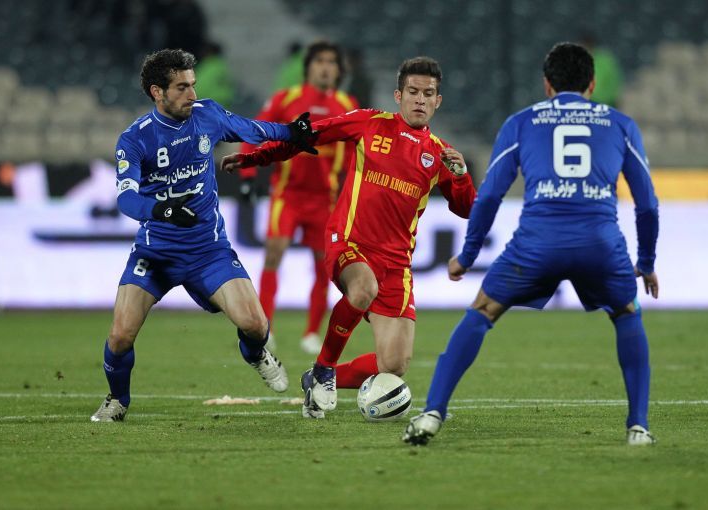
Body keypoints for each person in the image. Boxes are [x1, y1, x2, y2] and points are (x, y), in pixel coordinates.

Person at [403, 42, 659, 446]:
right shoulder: (621, 124)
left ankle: (432, 413)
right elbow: (647, 204)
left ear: (547, 85)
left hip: (538, 243)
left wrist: (467, 256)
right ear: (592, 85)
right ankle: (638, 427)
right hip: (599, 242)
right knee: (627, 314)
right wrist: (645, 262)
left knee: (482, 311)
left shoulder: (522, 122)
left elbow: (489, 195)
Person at [223, 57, 477, 419]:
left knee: (394, 365)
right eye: (413, 91)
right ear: (399, 95)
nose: (420, 99)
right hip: (350, 243)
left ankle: (316, 379)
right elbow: (306, 136)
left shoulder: (439, 153)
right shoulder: (369, 122)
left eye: (428, 93)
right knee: (363, 288)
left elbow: (467, 209)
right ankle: (324, 368)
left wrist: (462, 176)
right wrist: (257, 159)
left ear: (438, 101)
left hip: (396, 265)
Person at [90, 48, 317, 422]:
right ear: (157, 92)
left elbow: (252, 129)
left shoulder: (206, 114)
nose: (192, 94)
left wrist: (292, 132)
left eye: (192, 85)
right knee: (120, 336)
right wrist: (163, 210)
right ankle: (117, 399)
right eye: (182, 88)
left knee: (256, 325)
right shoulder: (134, 139)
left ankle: (256, 354)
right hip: (156, 254)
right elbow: (126, 198)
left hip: (208, 251)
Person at [238, 40, 359, 355]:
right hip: (287, 195)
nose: (325, 67)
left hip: (325, 200)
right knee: (273, 255)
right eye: (319, 61)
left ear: (339, 70)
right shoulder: (286, 99)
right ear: (308, 67)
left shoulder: (347, 104)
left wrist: (353, 192)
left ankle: (311, 333)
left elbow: (354, 153)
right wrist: (248, 176)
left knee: (324, 266)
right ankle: (265, 328)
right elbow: (253, 132)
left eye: (331, 62)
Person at [194, 41, 236, 108]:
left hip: (211, 102)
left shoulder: (210, 66)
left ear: (209, 52)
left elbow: (201, 86)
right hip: (222, 101)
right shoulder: (221, 65)